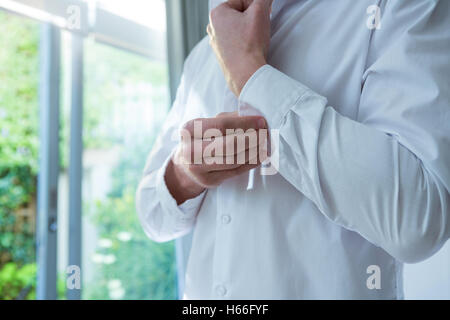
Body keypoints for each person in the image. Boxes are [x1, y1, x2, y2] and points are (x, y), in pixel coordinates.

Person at [136, 0, 450, 299]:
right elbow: (151, 215)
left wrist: (250, 73)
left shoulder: (395, 9)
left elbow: (417, 221)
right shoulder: (203, 54)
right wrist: (184, 173)